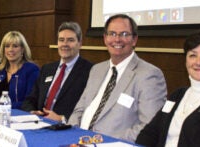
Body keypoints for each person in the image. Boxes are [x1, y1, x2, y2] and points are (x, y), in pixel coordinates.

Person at [68, 14, 167, 142]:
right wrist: (73, 135)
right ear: (105, 38)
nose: (117, 39)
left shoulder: (149, 75)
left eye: (124, 34)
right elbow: (79, 109)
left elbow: (150, 127)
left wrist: (107, 141)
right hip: (79, 140)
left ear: (134, 40)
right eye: (112, 34)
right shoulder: (96, 70)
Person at [22, 22, 93, 122]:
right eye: (61, 40)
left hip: (65, 128)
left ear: (80, 43)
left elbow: (89, 108)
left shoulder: (90, 71)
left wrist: (62, 119)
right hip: (39, 123)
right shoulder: (47, 69)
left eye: (70, 40)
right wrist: (32, 112)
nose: (65, 44)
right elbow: (30, 99)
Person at [0, 31, 39, 109]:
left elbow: (30, 102)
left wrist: (4, 107)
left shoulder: (31, 70)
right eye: (7, 46)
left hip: (19, 116)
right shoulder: (0, 71)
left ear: (22, 49)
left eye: (15, 46)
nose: (10, 50)